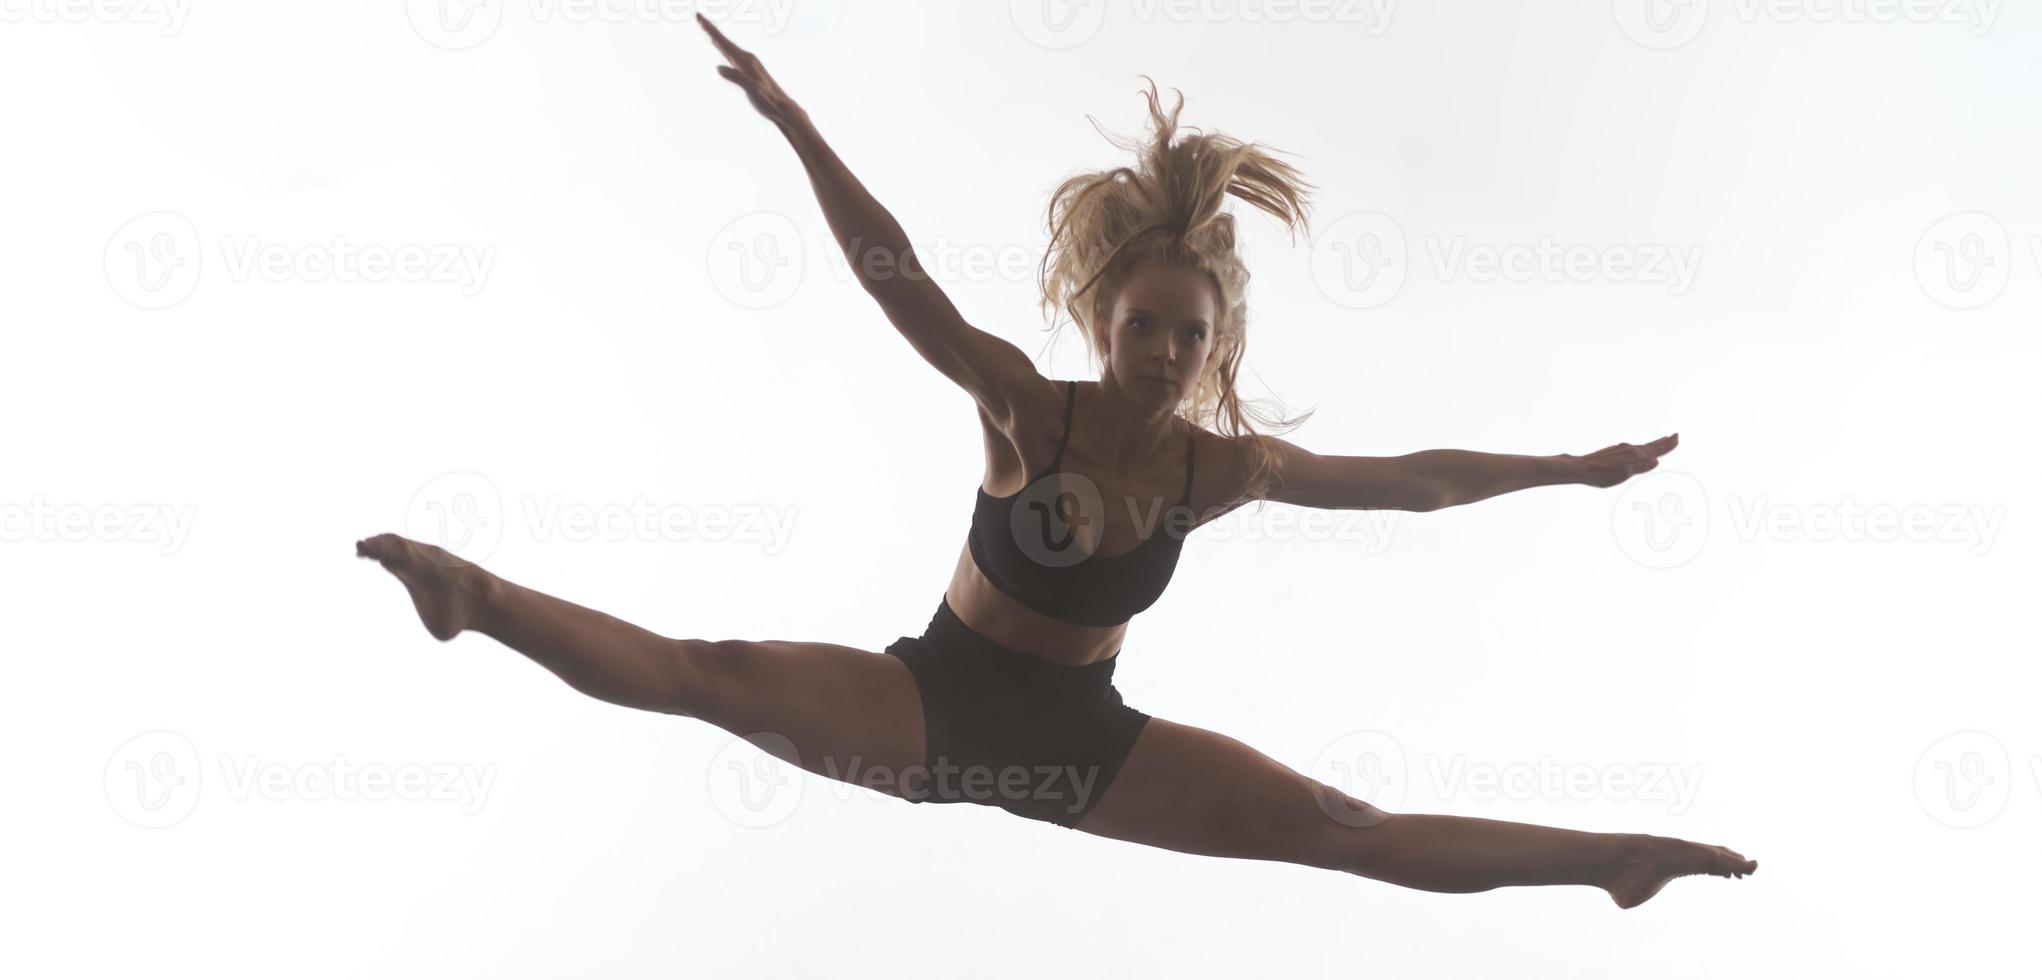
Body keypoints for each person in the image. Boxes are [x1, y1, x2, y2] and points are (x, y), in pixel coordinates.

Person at [356, 14, 1756, 909]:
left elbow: (1414, 478)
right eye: (1140, 324)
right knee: (708, 676)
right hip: (936, 704)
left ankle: (1610, 860)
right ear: (1105, 323)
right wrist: (793, 122)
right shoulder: (1032, 411)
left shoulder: (1227, 470)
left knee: (1344, 825)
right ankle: (479, 595)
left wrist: (1570, 471)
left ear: (1212, 345)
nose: (1158, 347)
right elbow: (894, 279)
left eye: (1184, 333)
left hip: (1084, 749)